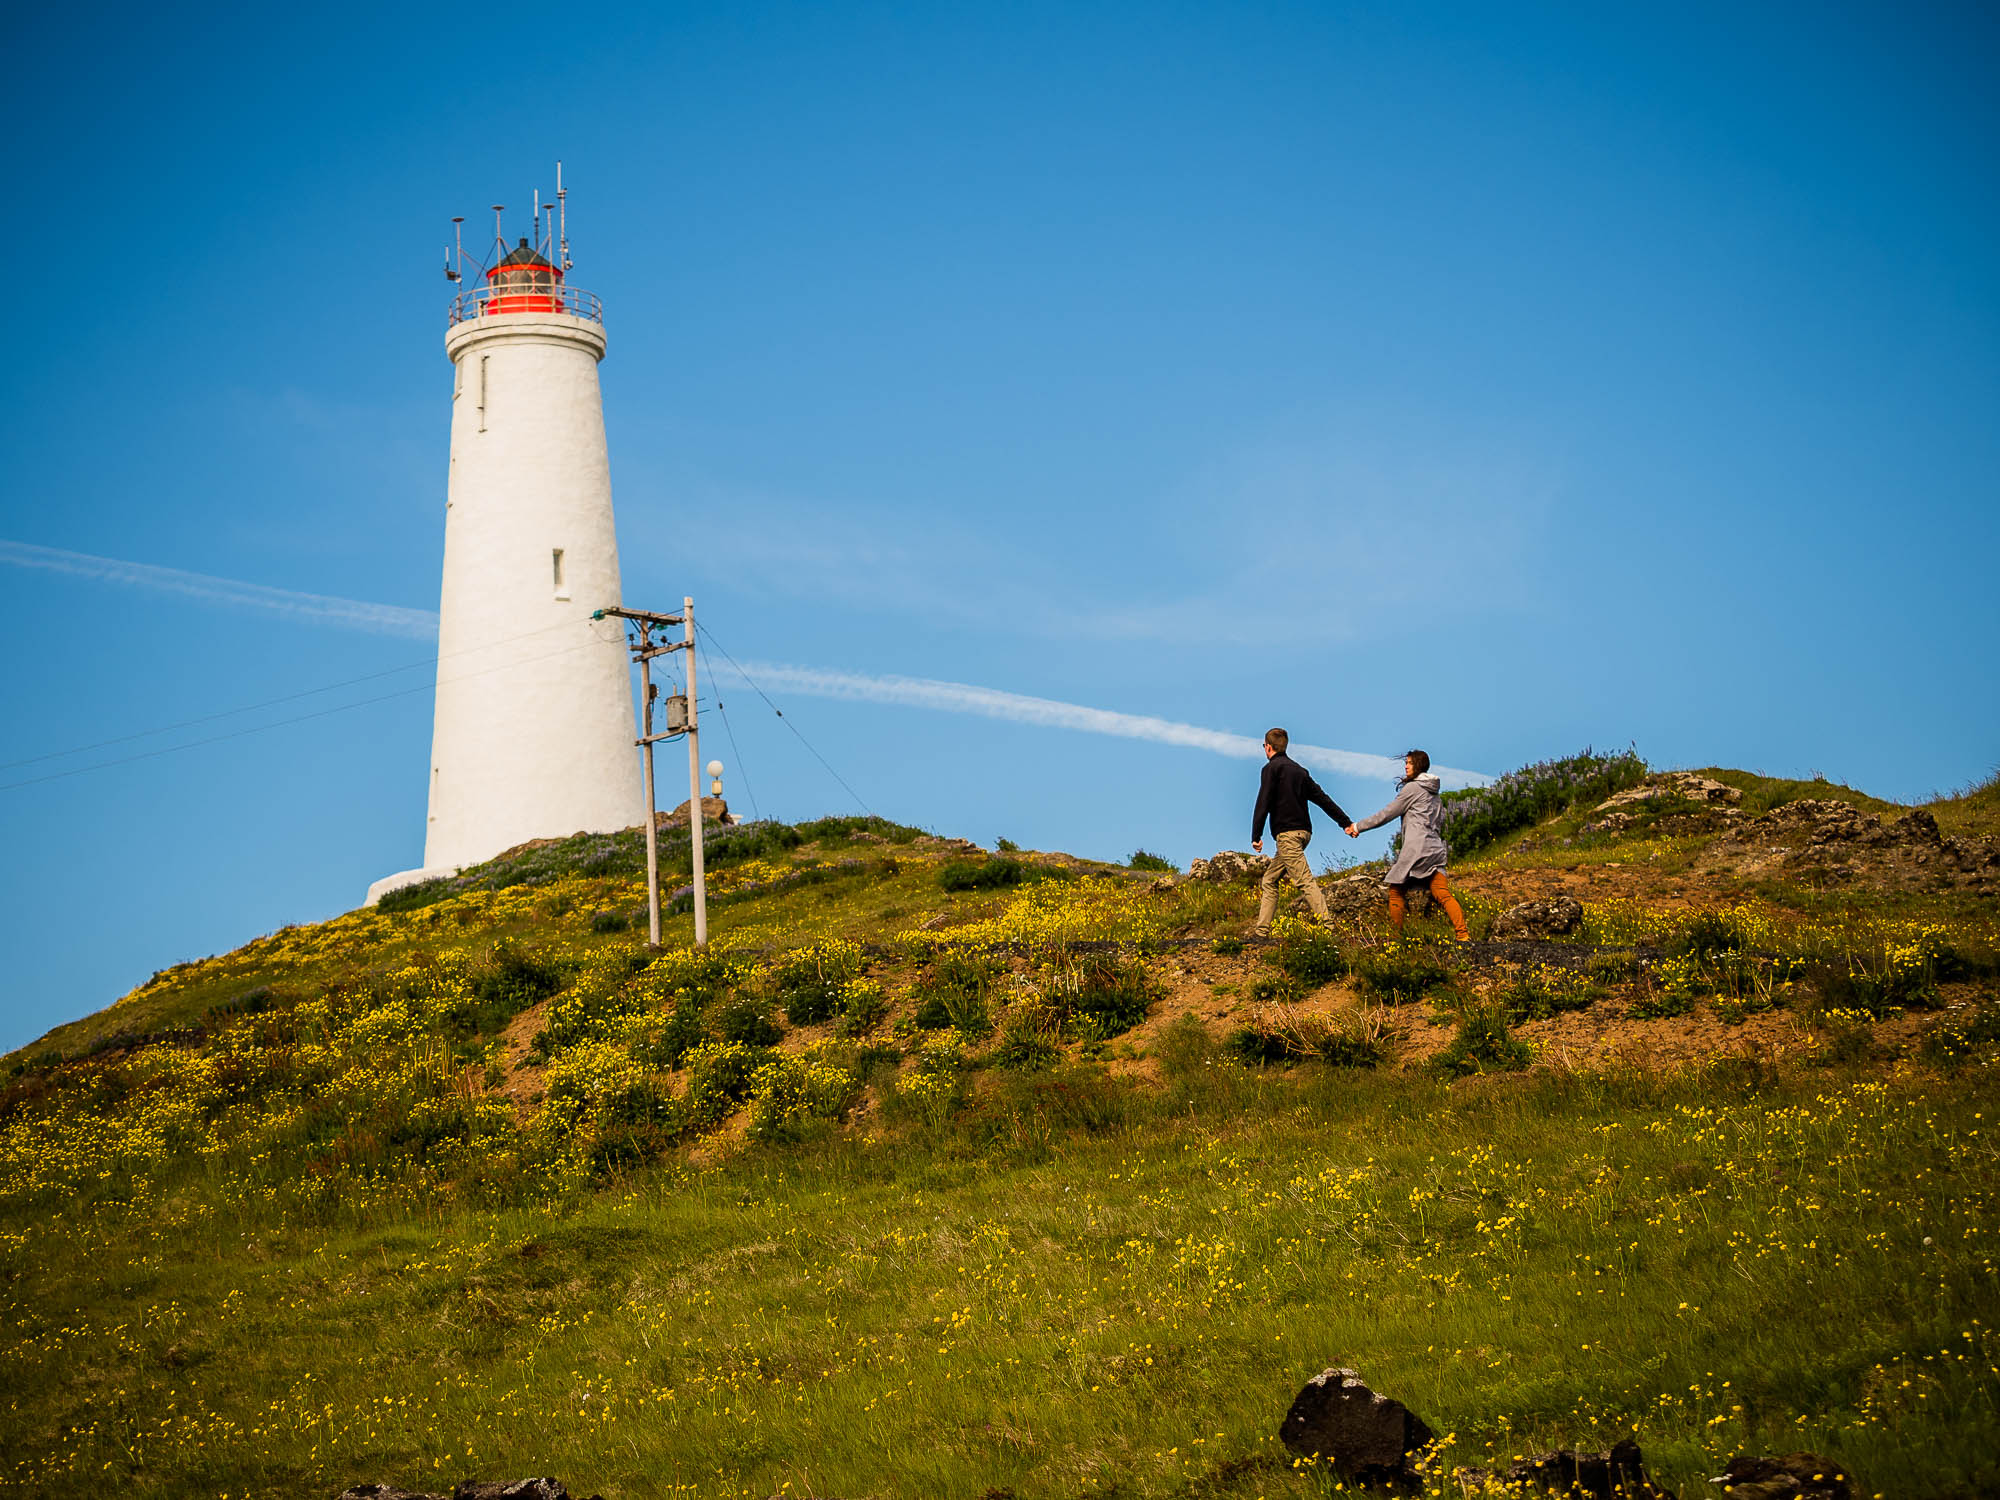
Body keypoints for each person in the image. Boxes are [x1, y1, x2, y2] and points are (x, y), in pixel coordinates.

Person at [1347, 749, 1470, 941]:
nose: (1406, 766)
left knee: (1396, 891)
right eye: (1406, 763)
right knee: (1442, 893)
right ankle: (1463, 935)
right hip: (1435, 848)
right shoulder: (1435, 794)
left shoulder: (1412, 788)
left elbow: (1387, 813)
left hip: (1416, 848)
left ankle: (1397, 939)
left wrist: (1357, 826)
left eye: (1409, 763)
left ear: (1418, 765)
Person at [1250, 728, 1353, 936]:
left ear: (1268, 747)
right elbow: (1323, 799)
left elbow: (1263, 801)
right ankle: (1261, 931)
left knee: (1304, 880)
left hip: (1287, 835)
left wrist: (1256, 835)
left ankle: (1329, 928)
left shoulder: (1271, 769)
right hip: (1304, 833)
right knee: (1269, 880)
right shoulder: (1299, 771)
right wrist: (1345, 822)